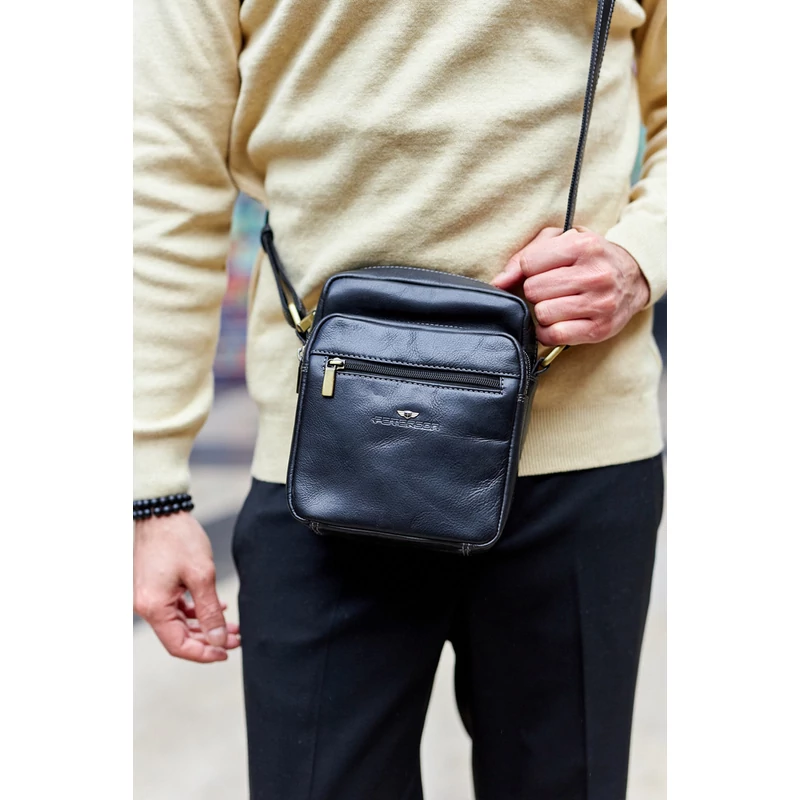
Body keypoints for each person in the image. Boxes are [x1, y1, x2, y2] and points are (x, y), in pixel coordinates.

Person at [133, 1, 666, 797]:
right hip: (323, 465)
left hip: (576, 458)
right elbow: (165, 181)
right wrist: (152, 489)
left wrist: (640, 256)